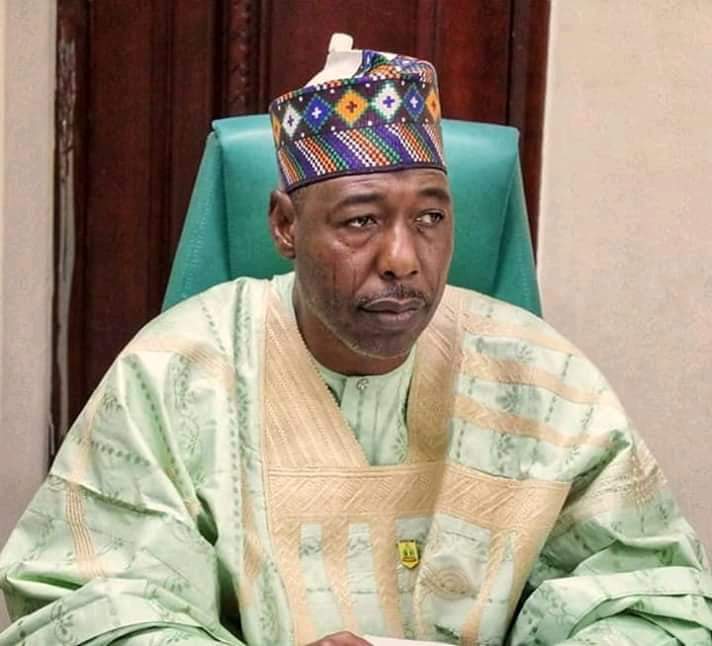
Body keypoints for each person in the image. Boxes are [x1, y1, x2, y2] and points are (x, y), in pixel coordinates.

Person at [1, 38, 711, 646]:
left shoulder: (543, 378)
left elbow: (656, 604)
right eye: (361, 221)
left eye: (430, 218)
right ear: (285, 226)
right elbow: (87, 607)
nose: (403, 258)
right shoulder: (175, 374)